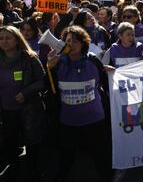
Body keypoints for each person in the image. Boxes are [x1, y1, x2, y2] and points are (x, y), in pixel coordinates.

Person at [47, 25, 112, 181]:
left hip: (94, 118)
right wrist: (49, 68)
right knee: (66, 154)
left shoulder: (93, 60)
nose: (71, 45)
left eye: (75, 41)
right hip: (68, 120)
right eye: (67, 41)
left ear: (83, 43)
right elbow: (50, 89)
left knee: (100, 153)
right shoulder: (58, 63)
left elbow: (103, 82)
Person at [0, 26, 46, 181]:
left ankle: (33, 170)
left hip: (30, 109)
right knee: (10, 142)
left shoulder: (30, 58)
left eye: (8, 38)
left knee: (32, 142)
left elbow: (42, 81)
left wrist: (25, 93)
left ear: (17, 39)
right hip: (7, 110)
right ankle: (13, 169)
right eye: (1, 38)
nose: (4, 41)